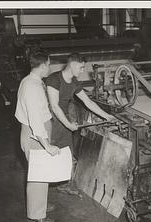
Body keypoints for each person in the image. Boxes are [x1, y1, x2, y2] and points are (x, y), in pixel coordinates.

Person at [46, 52, 116, 196]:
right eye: (81, 67)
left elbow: (88, 102)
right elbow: (54, 106)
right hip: (49, 119)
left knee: (66, 151)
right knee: (50, 152)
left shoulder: (74, 83)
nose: (83, 70)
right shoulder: (54, 79)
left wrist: (107, 116)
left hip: (62, 118)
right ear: (73, 64)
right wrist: (68, 124)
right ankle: (45, 185)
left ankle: (64, 184)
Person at [15, 50, 60, 222]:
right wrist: (47, 145)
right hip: (35, 135)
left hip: (38, 132)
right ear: (42, 66)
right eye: (48, 64)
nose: (49, 67)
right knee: (38, 175)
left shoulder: (32, 81)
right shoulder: (31, 87)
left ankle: (40, 204)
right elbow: (35, 119)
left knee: (42, 173)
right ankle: (37, 215)